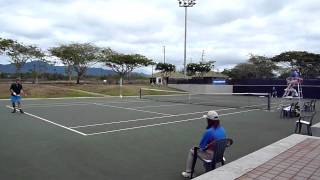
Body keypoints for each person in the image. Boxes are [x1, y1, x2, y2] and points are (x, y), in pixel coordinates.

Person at [181, 110, 226, 178]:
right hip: (220, 154)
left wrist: (204, 147)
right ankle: (209, 169)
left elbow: (201, 147)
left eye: (207, 119)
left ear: (209, 120)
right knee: (207, 150)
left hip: (212, 156)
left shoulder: (209, 132)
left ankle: (189, 172)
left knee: (192, 150)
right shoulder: (222, 129)